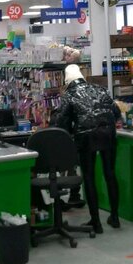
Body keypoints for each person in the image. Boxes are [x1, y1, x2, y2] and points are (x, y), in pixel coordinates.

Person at [51, 64, 122, 233]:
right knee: (110, 174)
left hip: (85, 136)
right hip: (108, 133)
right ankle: (115, 217)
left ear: (67, 80)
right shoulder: (100, 89)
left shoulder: (69, 95)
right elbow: (116, 112)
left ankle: (96, 223)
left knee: (89, 177)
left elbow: (62, 123)